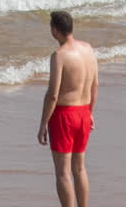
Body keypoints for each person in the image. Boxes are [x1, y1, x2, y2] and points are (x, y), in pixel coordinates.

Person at [37, 10, 98, 207]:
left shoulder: (59, 55)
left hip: (65, 115)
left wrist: (43, 124)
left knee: (63, 172)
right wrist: (90, 113)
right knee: (79, 168)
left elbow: (53, 94)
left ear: (55, 30)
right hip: (84, 112)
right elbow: (95, 85)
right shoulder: (88, 49)